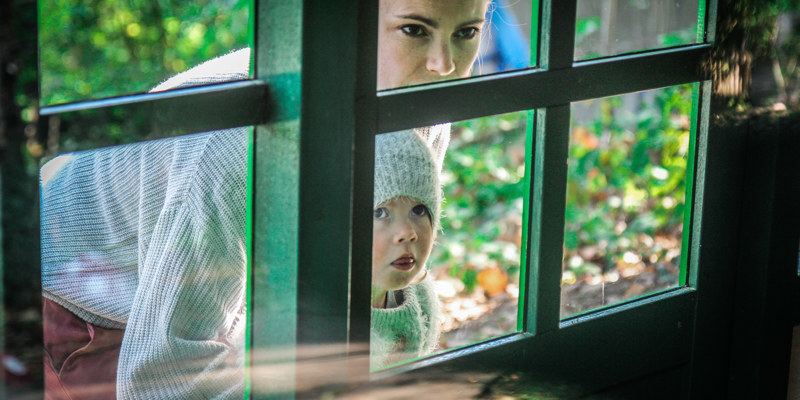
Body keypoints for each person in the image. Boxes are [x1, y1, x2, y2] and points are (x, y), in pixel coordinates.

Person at [41, 0, 492, 398]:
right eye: (415, 29)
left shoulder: (417, 98)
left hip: (220, 301)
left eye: (466, 33)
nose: (444, 64)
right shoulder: (239, 141)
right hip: (82, 311)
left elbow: (382, 266)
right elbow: (161, 378)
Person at [369, 129, 445, 369]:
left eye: (419, 210)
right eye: (380, 212)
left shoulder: (421, 301)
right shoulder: (317, 324)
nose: (407, 233)